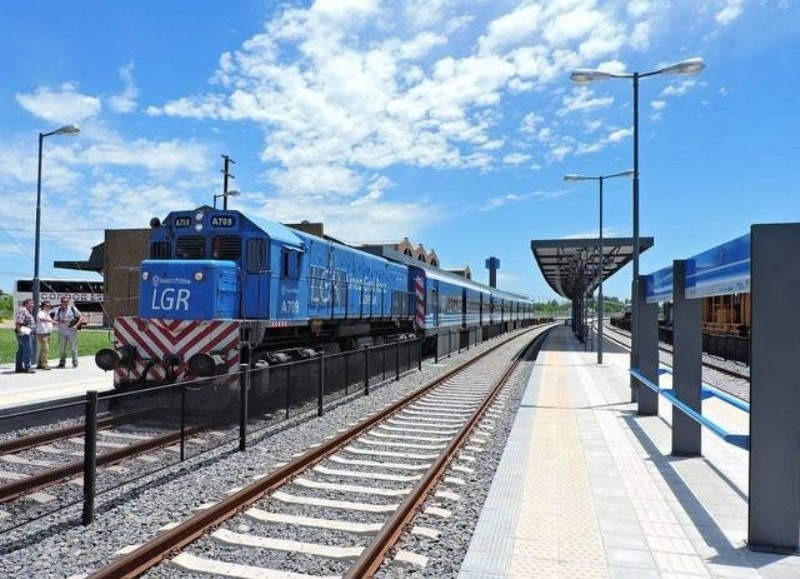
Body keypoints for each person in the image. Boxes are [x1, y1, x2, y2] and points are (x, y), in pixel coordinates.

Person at [54, 297, 82, 368]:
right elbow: (55, 321)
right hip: (62, 332)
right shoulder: (59, 310)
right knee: (62, 348)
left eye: (66, 302)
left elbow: (81, 317)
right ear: (61, 303)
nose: (65, 303)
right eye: (63, 302)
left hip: (72, 332)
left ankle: (75, 362)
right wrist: (61, 321)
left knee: (73, 347)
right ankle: (62, 362)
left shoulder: (72, 308)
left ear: (68, 302)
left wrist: (76, 325)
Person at [14, 298, 36, 373]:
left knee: (21, 350)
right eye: (31, 303)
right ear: (26, 304)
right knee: (28, 350)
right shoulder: (23, 310)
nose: (33, 305)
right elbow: (18, 322)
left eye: (33, 303)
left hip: (27, 332)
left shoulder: (27, 311)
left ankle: (19, 367)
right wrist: (20, 332)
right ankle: (27, 367)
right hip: (24, 333)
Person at [35, 300, 54, 370]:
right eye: (47, 305)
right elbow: (41, 319)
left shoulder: (47, 313)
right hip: (42, 334)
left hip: (47, 333)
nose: (49, 306)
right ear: (43, 306)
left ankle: (40, 363)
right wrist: (52, 321)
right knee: (45, 349)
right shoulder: (41, 312)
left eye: (49, 305)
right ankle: (45, 364)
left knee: (43, 349)